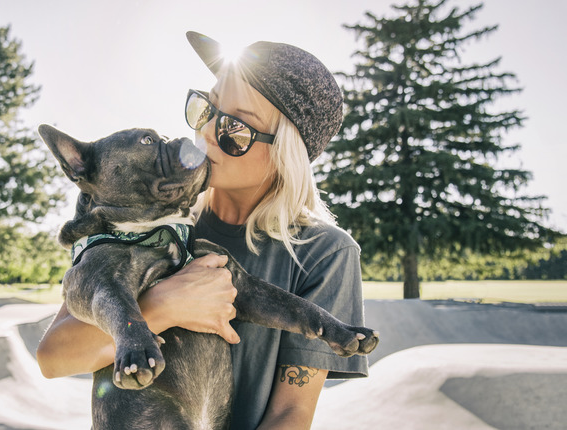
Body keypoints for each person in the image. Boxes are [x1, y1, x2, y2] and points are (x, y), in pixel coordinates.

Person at [36, 31, 369, 429]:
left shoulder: (325, 253)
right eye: (205, 109)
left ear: (285, 154)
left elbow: (290, 414)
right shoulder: (149, 218)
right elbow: (54, 357)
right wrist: (164, 306)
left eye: (236, 130)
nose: (207, 133)